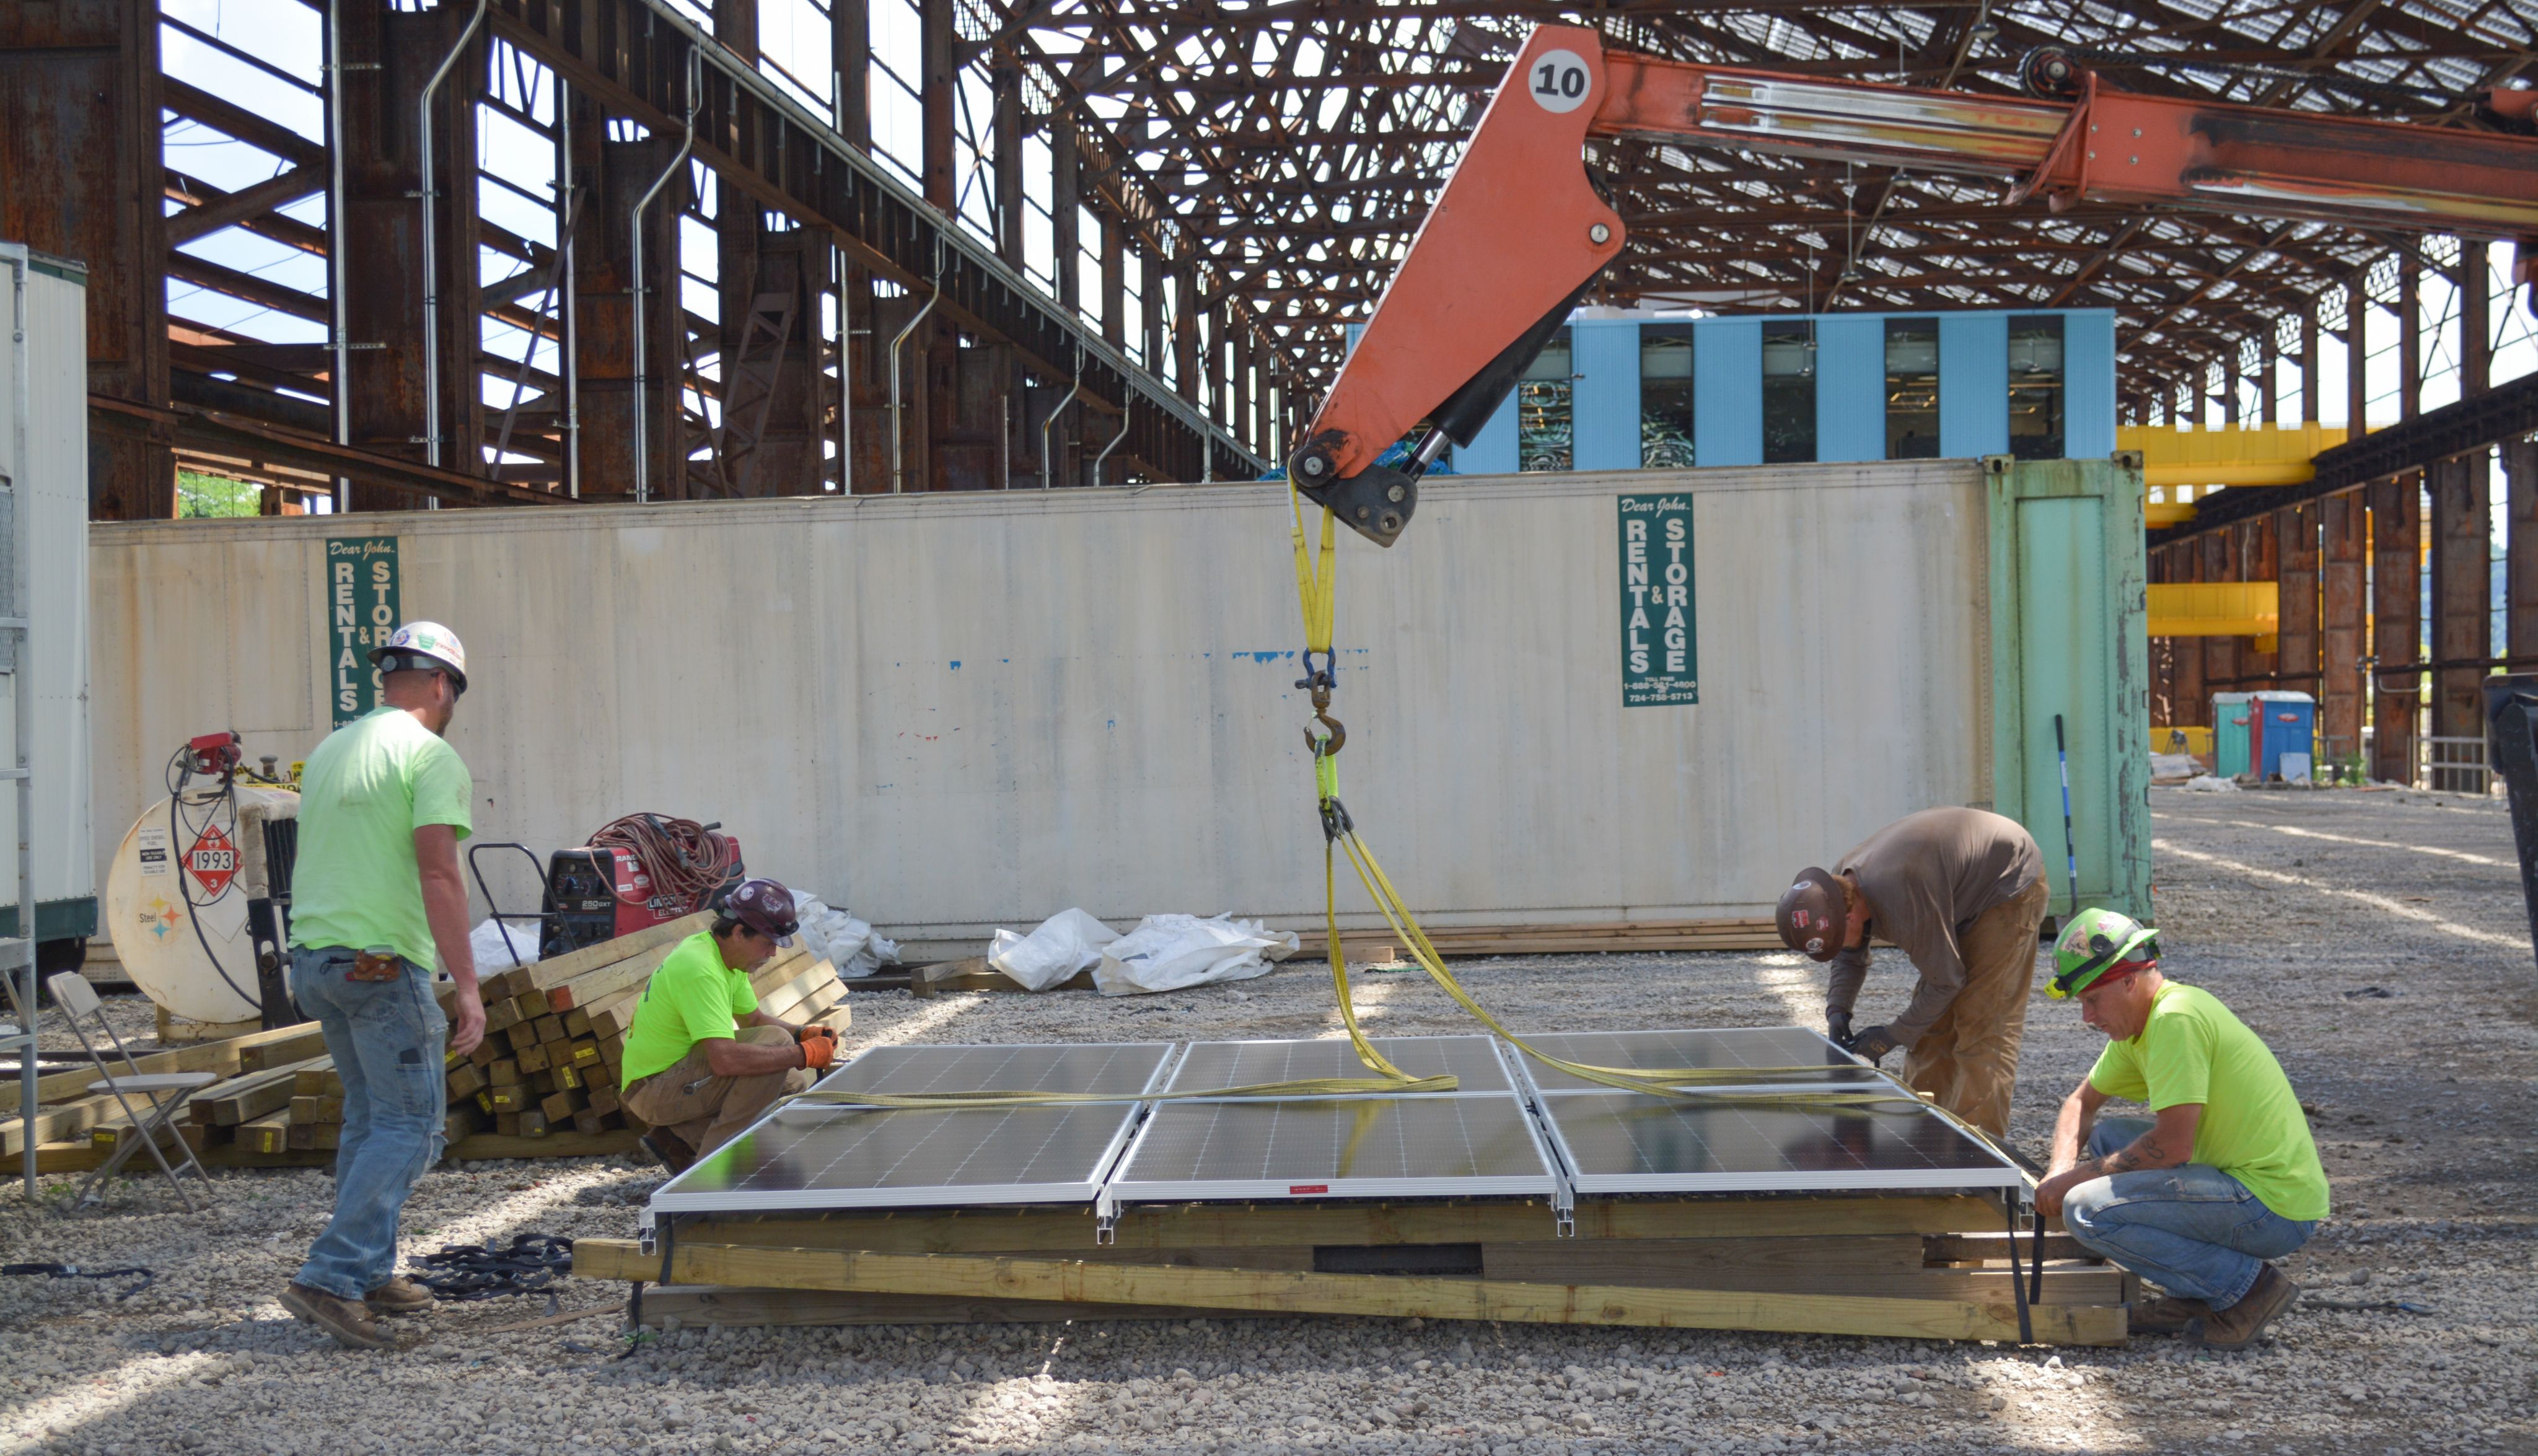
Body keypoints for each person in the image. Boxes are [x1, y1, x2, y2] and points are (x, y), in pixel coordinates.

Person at [278, 622, 482, 1351]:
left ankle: (368, 1269)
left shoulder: (333, 749)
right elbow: (438, 873)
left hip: (316, 962)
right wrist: (466, 985)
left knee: (369, 1122)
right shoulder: (430, 756)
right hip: (379, 964)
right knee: (413, 1126)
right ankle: (331, 1276)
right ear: (441, 685)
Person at [2033, 909, 2328, 1349]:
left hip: (2273, 1207)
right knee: (2110, 1139)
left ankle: (2247, 1290)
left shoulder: (2176, 1020)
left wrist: (2072, 1183)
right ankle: (2197, 1294)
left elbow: (2171, 1146)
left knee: (2085, 1209)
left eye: (2092, 1000)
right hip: (2239, 1181)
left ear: (2128, 980)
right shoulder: (2142, 1025)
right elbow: (2081, 1102)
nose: (2087, 1018)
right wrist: (2059, 1169)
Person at [1773, 806, 2049, 1138]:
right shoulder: (1836, 890)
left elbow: (1946, 982)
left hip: (2004, 881)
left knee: (1981, 1024)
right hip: (1952, 885)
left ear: (1848, 918)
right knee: (1930, 1024)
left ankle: (1981, 1153)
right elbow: (1850, 957)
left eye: (1834, 943)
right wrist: (1837, 1011)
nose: (1838, 951)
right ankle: (1927, 1134)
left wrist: (1892, 1035)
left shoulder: (1902, 900)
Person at [620, 878, 836, 1173]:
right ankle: (717, 1170)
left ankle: (678, 1139)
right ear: (738, 932)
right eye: (768, 943)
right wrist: (803, 1054)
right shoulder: (701, 969)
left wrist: (802, 1034)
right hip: (652, 1088)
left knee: (791, 1084)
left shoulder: (726, 958)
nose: (773, 953)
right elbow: (725, 1060)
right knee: (777, 1047)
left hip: (674, 1074)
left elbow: (755, 1021)